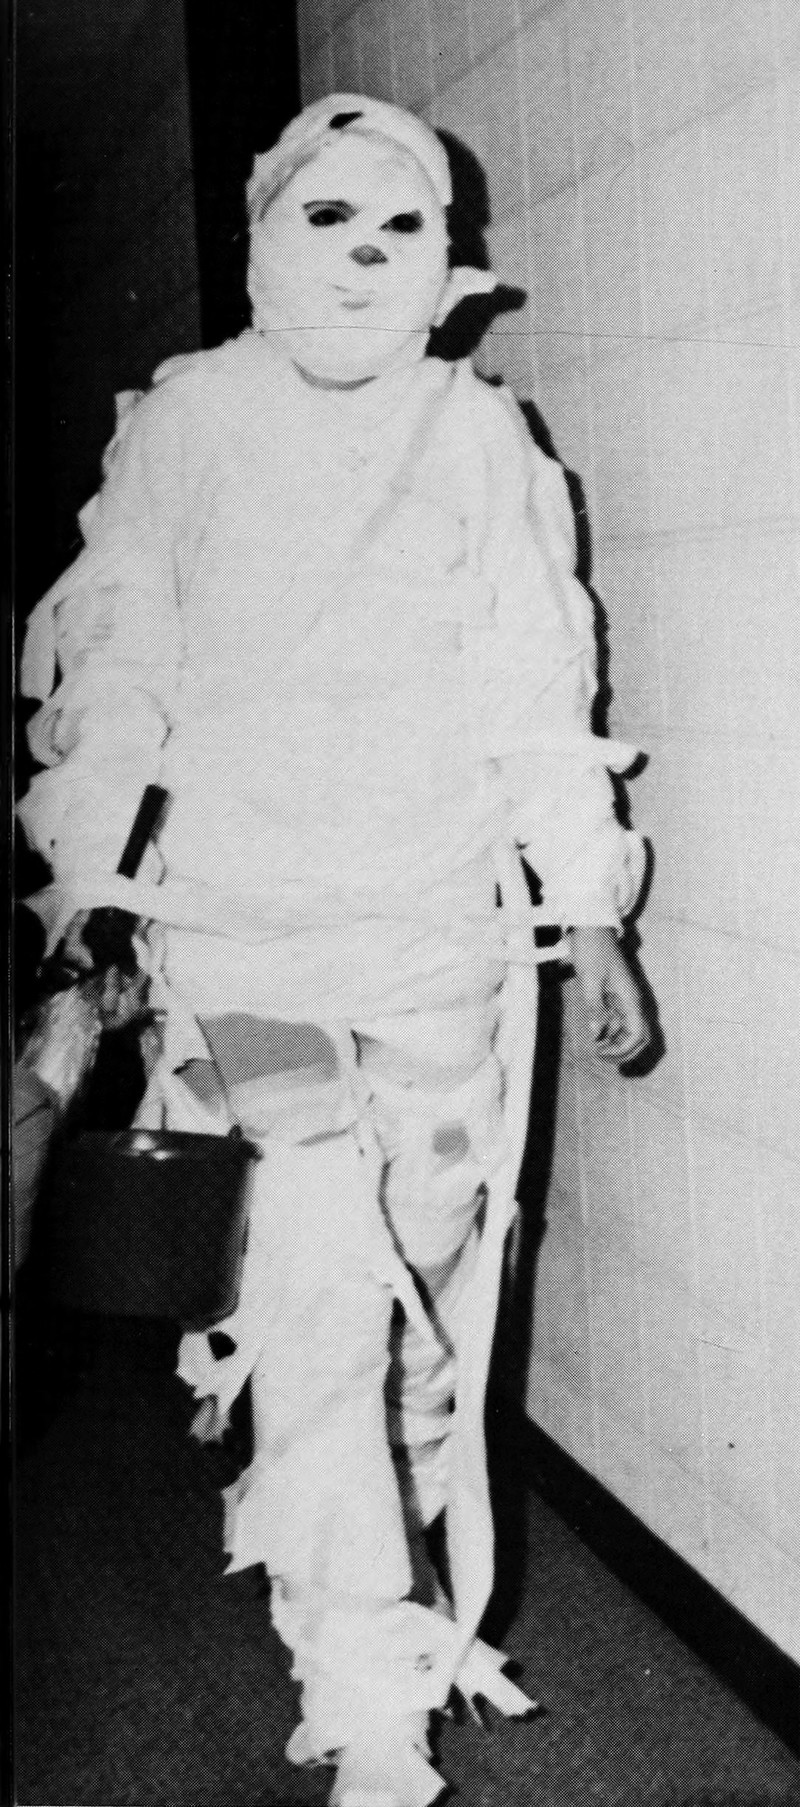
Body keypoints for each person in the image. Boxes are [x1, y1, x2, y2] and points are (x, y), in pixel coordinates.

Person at [19, 94, 650, 1807]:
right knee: (315, 1293)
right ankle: (364, 1690)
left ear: (446, 262)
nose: (365, 262)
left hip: (440, 944)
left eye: (399, 230)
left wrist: (590, 909)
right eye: (328, 222)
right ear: (263, 240)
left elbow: (538, 677)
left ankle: (394, 1564)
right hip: (244, 947)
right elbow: (119, 653)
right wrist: (92, 868)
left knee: (429, 1301)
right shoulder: (190, 425)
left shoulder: (480, 436)